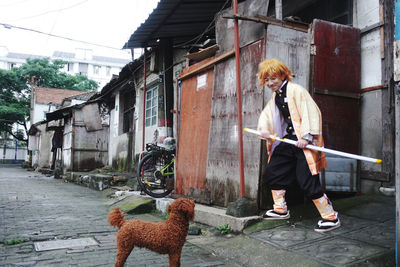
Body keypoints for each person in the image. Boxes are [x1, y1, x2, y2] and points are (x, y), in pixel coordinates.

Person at [257, 58, 340, 232]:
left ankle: (330, 216)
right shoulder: (276, 96)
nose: (270, 83)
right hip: (289, 140)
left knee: (307, 180)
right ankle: (280, 209)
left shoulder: (296, 90)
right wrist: (264, 129)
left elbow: (311, 112)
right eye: (267, 80)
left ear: (282, 75)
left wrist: (306, 136)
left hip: (304, 143)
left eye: (273, 78)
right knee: (274, 169)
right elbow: (268, 115)